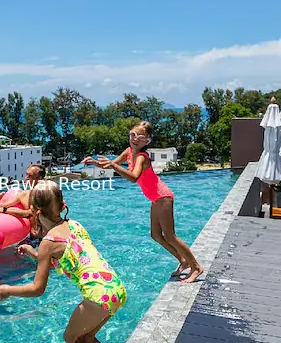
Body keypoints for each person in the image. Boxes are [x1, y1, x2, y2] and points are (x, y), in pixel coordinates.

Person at [0, 180, 134, 343]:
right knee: (87, 339)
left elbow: (37, 289)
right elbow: (70, 258)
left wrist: (9, 290)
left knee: (71, 339)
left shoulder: (48, 242)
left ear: (35, 212)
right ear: (62, 205)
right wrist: (34, 253)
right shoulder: (75, 225)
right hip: (115, 289)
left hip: (97, 295)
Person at [84, 121, 203, 283]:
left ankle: (196, 267)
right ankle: (183, 261)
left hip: (163, 196)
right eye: (133, 134)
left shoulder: (142, 157)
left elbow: (134, 177)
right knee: (155, 235)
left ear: (147, 141)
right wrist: (95, 163)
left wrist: (113, 165)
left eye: (140, 137)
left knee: (170, 236)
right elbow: (111, 165)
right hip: (155, 198)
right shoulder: (128, 151)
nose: (135, 139)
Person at [0, 164, 47, 244]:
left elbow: (29, 213)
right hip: (32, 237)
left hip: (45, 238)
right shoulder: (24, 195)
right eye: (26, 174)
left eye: (30, 176)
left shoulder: (45, 195)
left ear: (39, 178)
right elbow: (1, 205)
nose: (26, 178)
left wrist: (3, 210)